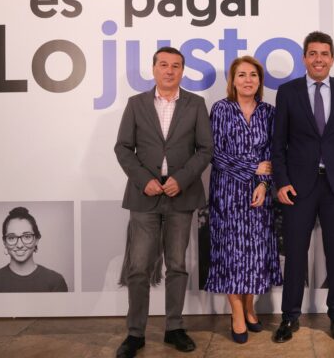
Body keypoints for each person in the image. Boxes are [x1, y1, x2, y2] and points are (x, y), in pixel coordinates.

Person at [114, 46, 213, 358]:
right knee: (138, 267)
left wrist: (180, 179)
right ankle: (135, 333)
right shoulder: (136, 104)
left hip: (181, 195)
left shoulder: (196, 104)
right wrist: (144, 180)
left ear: (182, 71)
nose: (170, 70)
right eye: (164, 65)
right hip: (144, 196)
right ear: (154, 68)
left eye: (176, 66)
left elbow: (206, 149)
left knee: (177, 266)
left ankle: (174, 328)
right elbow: (123, 148)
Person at [271, 31, 334, 343]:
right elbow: (278, 143)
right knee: (296, 253)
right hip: (298, 187)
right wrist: (281, 182)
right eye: (313, 53)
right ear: (304, 58)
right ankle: (289, 317)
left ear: (332, 59)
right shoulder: (288, 92)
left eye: (324, 54)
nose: (318, 59)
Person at [205, 56, 282, 344]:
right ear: (233, 81)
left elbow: (272, 155)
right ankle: (236, 312)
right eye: (242, 75)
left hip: (259, 195)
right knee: (231, 255)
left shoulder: (269, 112)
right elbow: (214, 153)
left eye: (253, 75)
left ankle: (250, 306)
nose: (248, 79)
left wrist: (263, 183)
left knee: (254, 255)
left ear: (260, 81)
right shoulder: (221, 109)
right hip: (227, 193)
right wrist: (251, 168)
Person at [0, 206, 68, 293]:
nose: (19, 245)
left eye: (27, 236)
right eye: (12, 237)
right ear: (4, 242)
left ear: (36, 240)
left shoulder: (56, 281)